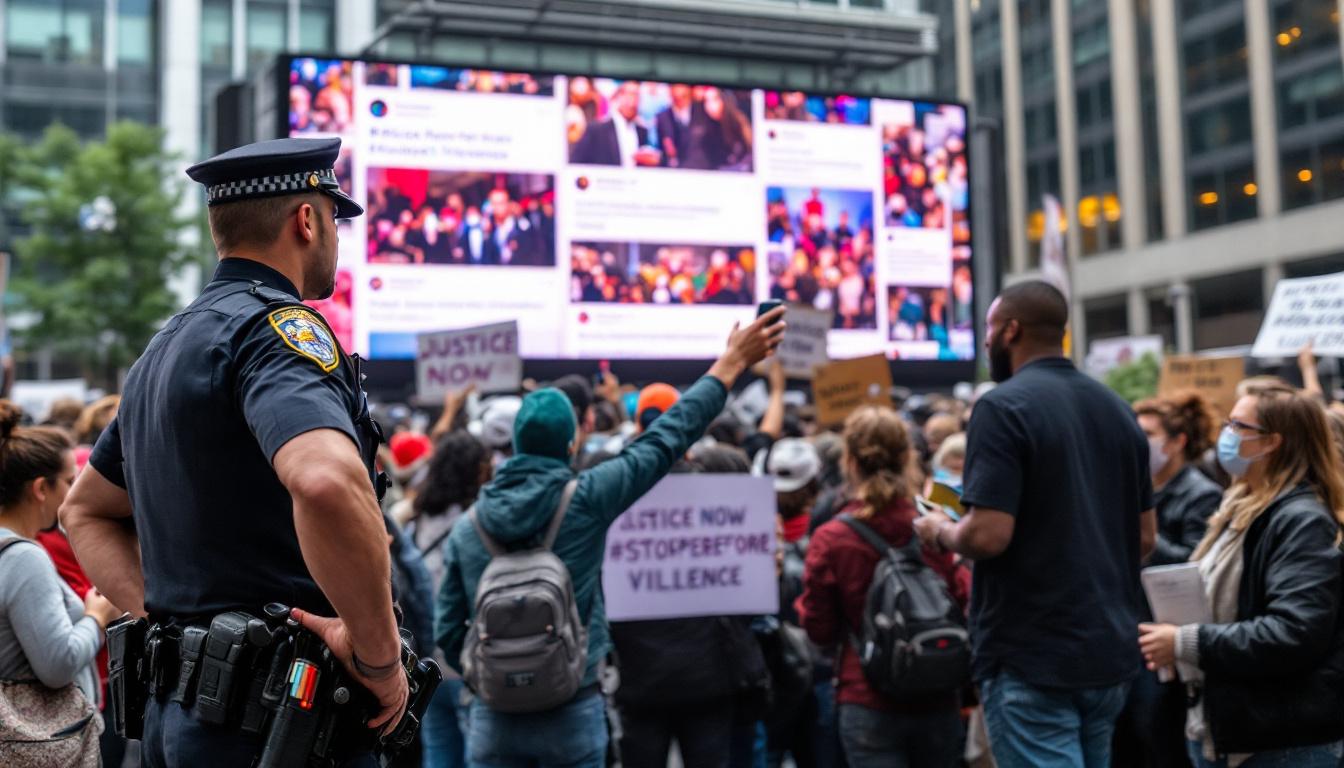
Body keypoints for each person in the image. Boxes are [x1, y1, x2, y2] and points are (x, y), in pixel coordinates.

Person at [59, 137, 410, 767]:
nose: (335, 236)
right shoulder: (276, 332)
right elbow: (328, 481)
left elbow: (83, 510)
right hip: (276, 724)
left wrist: (181, 628)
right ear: (307, 219)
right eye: (335, 218)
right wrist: (378, 657)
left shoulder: (164, 349)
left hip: (187, 719)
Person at [435, 306, 786, 768]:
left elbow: (445, 631)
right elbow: (666, 440)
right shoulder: (588, 498)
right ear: (571, 445)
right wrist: (732, 363)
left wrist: (495, 679)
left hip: (493, 719)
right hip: (574, 708)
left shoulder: (467, 528)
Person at [913, 280, 1157, 768]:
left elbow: (988, 534)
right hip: (1106, 653)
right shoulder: (1118, 409)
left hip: (1032, 658)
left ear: (1012, 330)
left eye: (988, 329)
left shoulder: (1001, 407)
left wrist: (941, 530)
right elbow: (1145, 538)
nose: (984, 342)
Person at [1138, 388, 1344, 767]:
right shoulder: (1241, 507)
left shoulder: (1301, 520)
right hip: (1236, 728)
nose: (1225, 435)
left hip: (1281, 740)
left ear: (1271, 443)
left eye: (1237, 425)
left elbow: (1293, 632)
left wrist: (1187, 640)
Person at [797, 407, 969, 768]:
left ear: (850, 461)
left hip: (866, 696)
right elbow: (965, 599)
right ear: (909, 458)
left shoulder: (833, 538)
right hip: (937, 689)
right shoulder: (935, 526)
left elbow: (819, 629)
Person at [610, 445, 770, 768]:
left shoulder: (620, 491)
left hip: (642, 681)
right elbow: (747, 602)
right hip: (707, 683)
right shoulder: (716, 495)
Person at [0, 403, 120, 763]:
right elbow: (57, 663)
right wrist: (96, 618)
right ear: (41, 488)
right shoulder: (24, 557)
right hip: (38, 744)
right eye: (69, 481)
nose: (73, 492)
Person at [1115, 392, 1224, 768]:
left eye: (1147, 434)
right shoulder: (1137, 489)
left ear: (1177, 442)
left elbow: (1195, 569)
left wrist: (1143, 530)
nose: (1137, 443)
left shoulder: (1202, 494)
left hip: (1172, 642)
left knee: (1158, 738)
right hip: (1132, 633)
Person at [406, 430, 492, 768]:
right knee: (477, 752)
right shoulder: (480, 522)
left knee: (438, 750)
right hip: (468, 657)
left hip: (426, 660)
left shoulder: (414, 522)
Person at [570, 81, 658, 167]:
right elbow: (576, 164)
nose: (632, 101)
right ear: (618, 96)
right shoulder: (597, 130)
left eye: (636, 95)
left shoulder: (642, 131)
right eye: (628, 94)